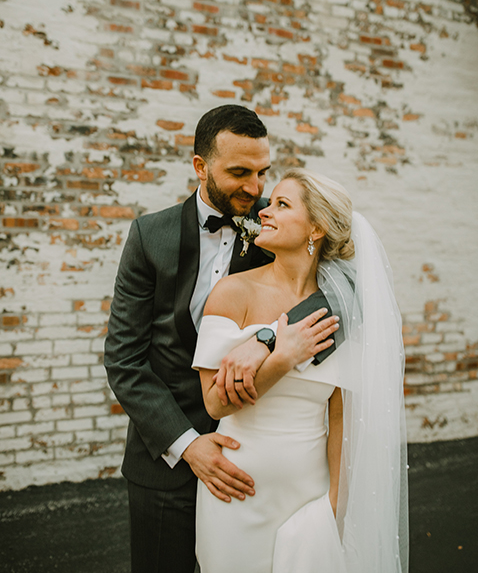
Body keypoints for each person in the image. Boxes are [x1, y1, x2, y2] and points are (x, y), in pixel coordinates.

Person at [104, 105, 339, 573]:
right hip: (165, 457)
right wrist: (188, 444)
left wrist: (267, 338)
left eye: (261, 172)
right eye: (239, 172)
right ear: (200, 167)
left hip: (252, 462)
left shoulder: (273, 231)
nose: (255, 189)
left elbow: (336, 296)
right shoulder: (151, 237)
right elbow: (124, 360)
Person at [193, 169, 409, 573]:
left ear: (317, 228)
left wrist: (334, 502)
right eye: (269, 202)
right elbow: (216, 404)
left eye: (281, 204)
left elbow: (343, 413)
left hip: (310, 493)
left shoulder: (343, 312)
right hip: (237, 488)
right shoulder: (233, 292)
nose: (264, 211)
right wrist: (281, 355)